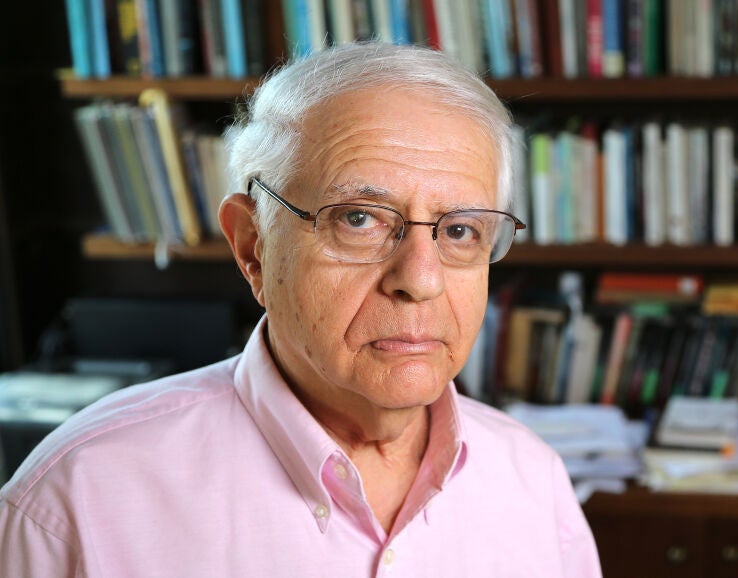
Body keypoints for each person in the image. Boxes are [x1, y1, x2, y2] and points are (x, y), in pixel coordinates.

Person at [0, 43, 602, 577]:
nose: (420, 280)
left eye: (461, 230)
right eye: (359, 219)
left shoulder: (534, 483)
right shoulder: (77, 499)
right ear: (253, 247)